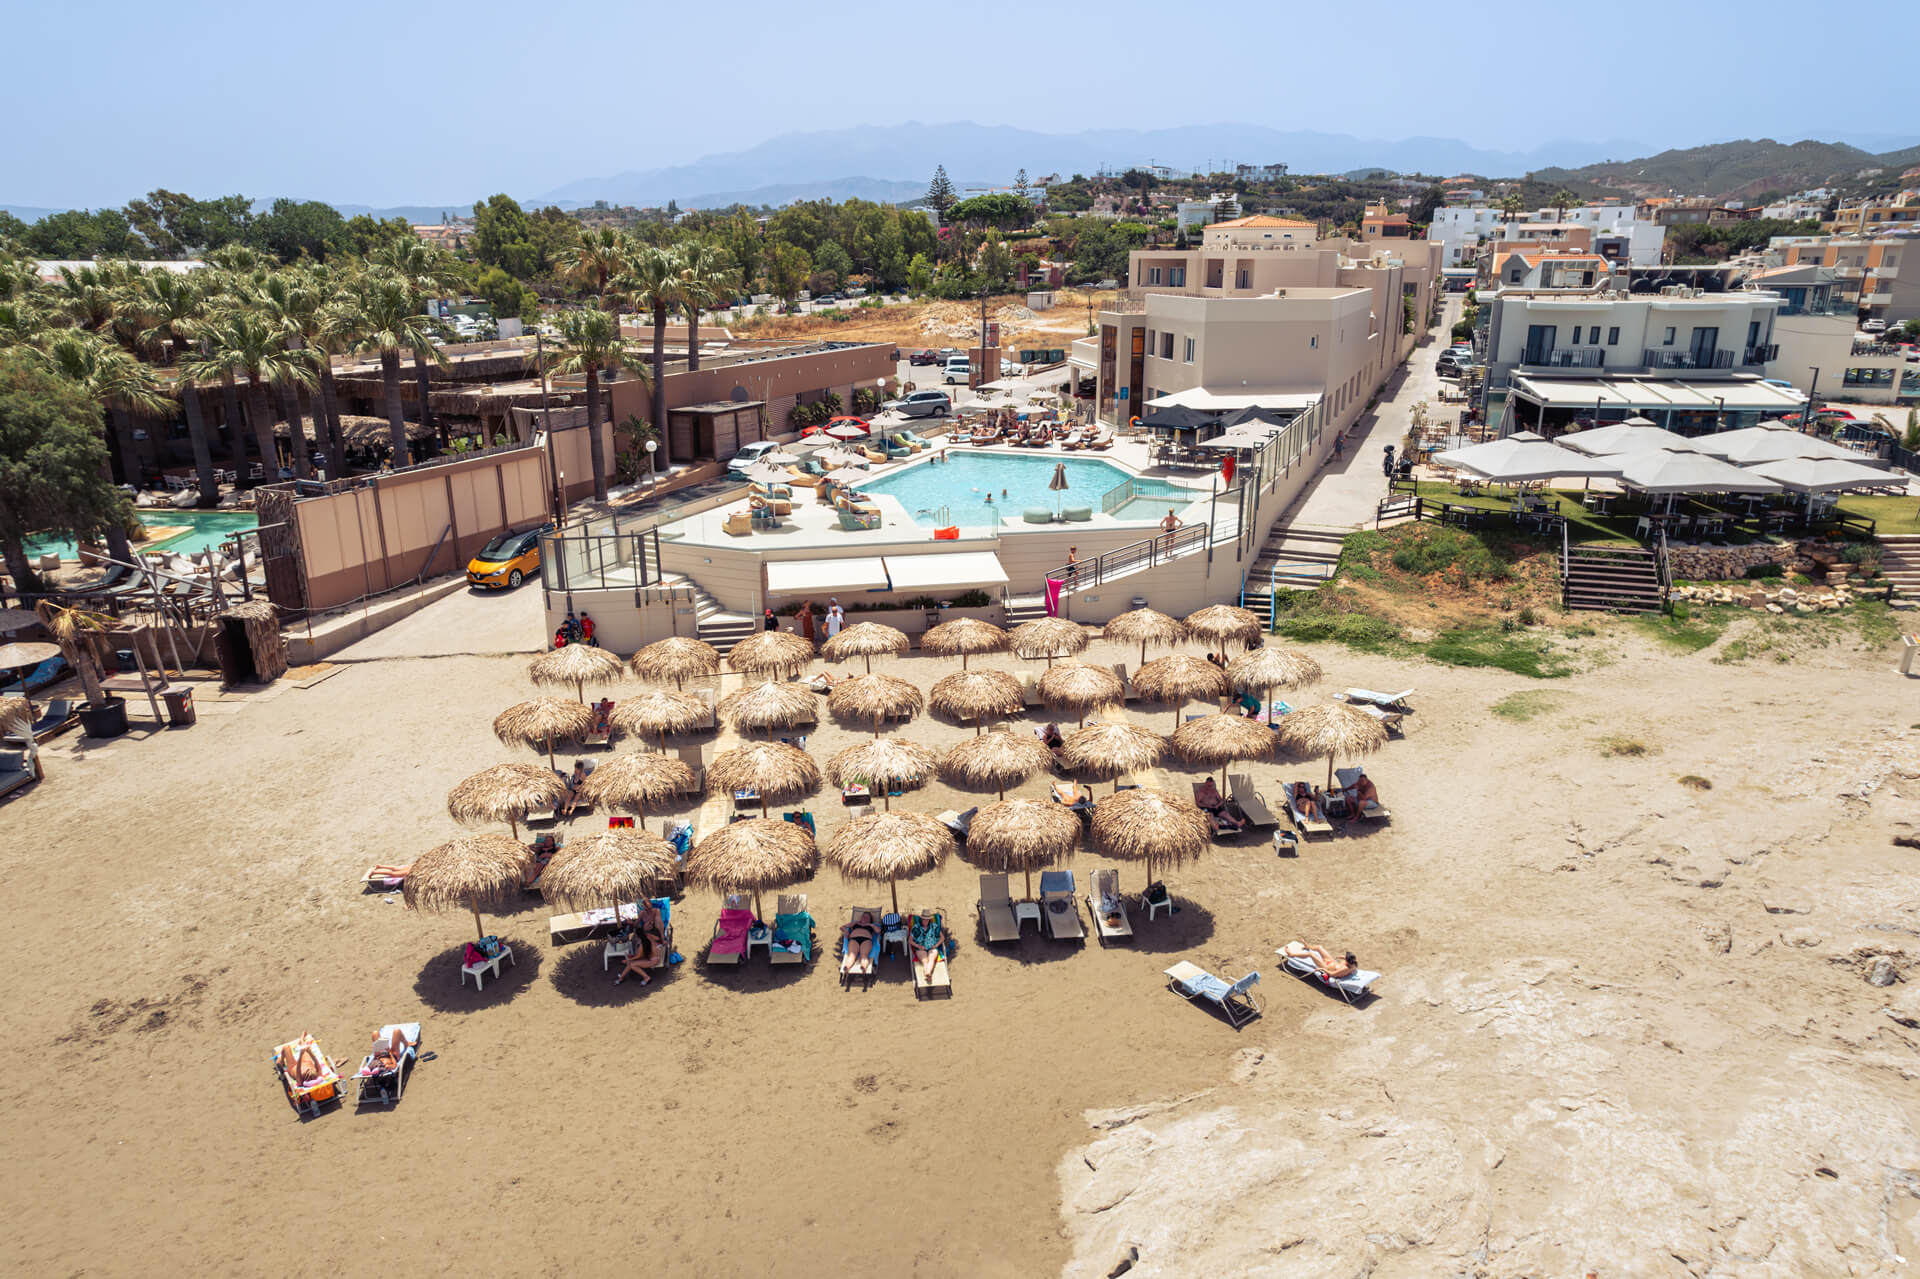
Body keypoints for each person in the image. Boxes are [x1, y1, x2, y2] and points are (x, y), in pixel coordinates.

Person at [909, 911, 948, 984]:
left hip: (932, 947)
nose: (925, 921)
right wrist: (918, 946)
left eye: (927, 919)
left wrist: (936, 945)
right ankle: (928, 974)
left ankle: (927, 973)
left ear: (929, 919)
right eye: (924, 919)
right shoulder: (916, 927)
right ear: (921, 919)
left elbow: (942, 938)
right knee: (925, 961)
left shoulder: (934, 926)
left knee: (931, 959)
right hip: (921, 948)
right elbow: (910, 941)